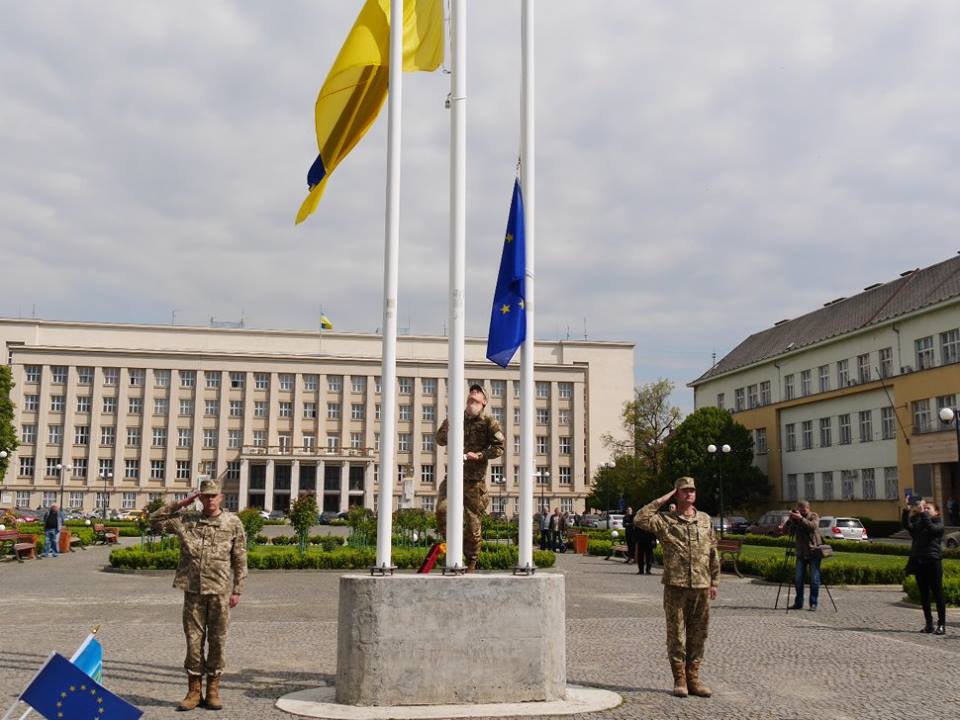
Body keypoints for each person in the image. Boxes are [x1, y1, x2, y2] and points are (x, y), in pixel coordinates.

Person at [151, 478, 247, 711]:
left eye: (214, 495)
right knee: (193, 642)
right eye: (205, 495)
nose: (210, 499)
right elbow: (155, 520)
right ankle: (194, 691)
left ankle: (213, 690)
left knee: (217, 640)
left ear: (221, 497)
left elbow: (240, 557)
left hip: (220, 591)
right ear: (200, 498)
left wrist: (237, 589)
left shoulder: (232, 522)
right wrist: (183, 502)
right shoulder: (187, 520)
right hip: (193, 590)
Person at [635, 477, 719, 698]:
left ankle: (694, 678)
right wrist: (664, 499)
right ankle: (679, 679)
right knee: (676, 635)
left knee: (699, 634)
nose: (689, 494)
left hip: (701, 584)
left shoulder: (705, 519)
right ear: (676, 494)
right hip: (676, 585)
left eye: (692, 490)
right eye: (684, 491)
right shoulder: (665, 521)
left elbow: (713, 551)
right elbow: (640, 518)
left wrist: (715, 581)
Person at [435, 384, 505, 573]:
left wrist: (480, 455)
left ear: (483, 402)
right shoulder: (457, 418)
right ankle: (452, 549)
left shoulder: (489, 422)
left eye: (477, 395)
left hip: (474, 482)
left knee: (473, 526)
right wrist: (449, 423)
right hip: (454, 477)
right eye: (471, 395)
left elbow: (499, 447)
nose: (473, 396)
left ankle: (472, 563)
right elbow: (440, 440)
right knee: (442, 511)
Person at [907, 500, 946, 635]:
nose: (926, 510)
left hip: (933, 560)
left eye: (928, 508)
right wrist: (907, 511)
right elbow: (909, 527)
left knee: (937, 592)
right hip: (920, 561)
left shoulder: (938, 522)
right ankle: (929, 624)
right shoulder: (921, 522)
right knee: (924, 594)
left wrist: (923, 515)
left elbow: (933, 530)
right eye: (925, 508)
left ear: (936, 512)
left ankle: (941, 624)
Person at [783, 500, 822, 611]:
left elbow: (813, 527)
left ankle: (813, 603)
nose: (802, 512)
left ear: (808, 508)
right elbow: (787, 532)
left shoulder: (813, 516)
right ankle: (798, 603)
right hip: (801, 553)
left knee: (814, 580)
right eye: (800, 510)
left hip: (814, 552)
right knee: (798, 579)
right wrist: (790, 521)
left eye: (804, 510)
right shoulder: (796, 519)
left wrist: (800, 518)